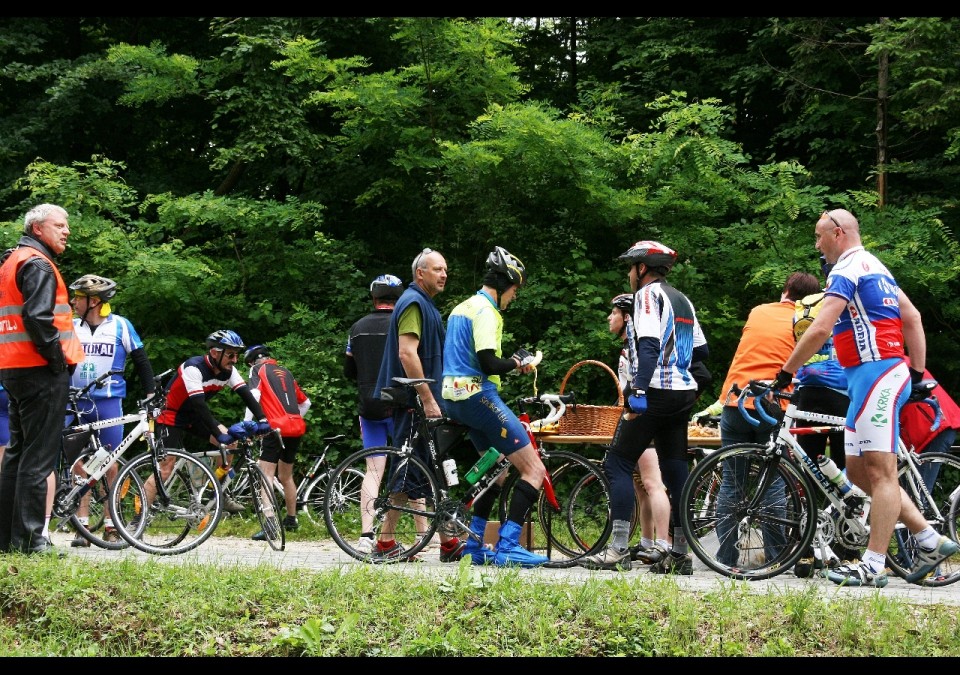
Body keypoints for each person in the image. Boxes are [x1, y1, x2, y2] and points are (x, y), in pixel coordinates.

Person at [777, 208, 960, 588]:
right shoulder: (877, 267)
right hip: (867, 378)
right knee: (860, 475)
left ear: (838, 233)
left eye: (818, 236)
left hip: (876, 374)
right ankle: (929, 539)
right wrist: (916, 372)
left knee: (880, 472)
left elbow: (821, 326)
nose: (817, 245)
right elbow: (913, 317)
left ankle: (873, 565)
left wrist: (785, 372)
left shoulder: (847, 267)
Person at [580, 240, 709, 574]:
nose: (628, 274)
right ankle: (680, 555)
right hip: (682, 394)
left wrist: (637, 389)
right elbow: (702, 354)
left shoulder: (647, 296)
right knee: (676, 471)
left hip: (653, 391)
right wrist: (690, 389)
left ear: (641, 268)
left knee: (618, 463)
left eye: (630, 267)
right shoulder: (684, 300)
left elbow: (649, 345)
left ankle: (618, 550)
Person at [441, 246, 547, 568]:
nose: (514, 297)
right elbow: (487, 361)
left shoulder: (462, 307)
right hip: (477, 396)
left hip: (453, 398)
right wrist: (517, 363)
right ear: (503, 284)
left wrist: (510, 364)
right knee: (534, 469)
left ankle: (474, 545)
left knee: (497, 470)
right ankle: (508, 546)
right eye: (514, 290)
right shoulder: (487, 311)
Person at [709, 271, 820, 571]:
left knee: (732, 482)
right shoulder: (804, 321)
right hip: (772, 403)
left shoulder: (758, 311)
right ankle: (776, 558)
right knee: (772, 480)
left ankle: (725, 560)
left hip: (735, 401)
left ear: (785, 290)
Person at [0, 203, 84, 555]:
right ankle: (33, 540)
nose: (66, 231)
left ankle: (8, 540)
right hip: (40, 370)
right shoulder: (37, 264)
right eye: (59, 225)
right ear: (37, 229)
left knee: (17, 456)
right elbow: (38, 318)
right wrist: (56, 362)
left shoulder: (11, 262)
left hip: (13, 369)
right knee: (38, 458)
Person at [373, 249, 464, 562]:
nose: (443, 275)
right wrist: (426, 398)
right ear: (420, 273)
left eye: (445, 270)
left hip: (423, 401)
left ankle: (447, 542)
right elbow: (407, 354)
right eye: (437, 269)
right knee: (409, 466)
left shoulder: (425, 305)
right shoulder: (413, 303)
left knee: (425, 468)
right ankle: (385, 542)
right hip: (414, 401)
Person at [345, 273, 438, 553]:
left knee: (374, 469)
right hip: (400, 401)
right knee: (410, 462)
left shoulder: (357, 328)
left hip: (370, 404)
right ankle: (424, 533)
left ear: (374, 298)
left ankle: (365, 534)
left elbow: (349, 371)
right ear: (398, 299)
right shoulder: (404, 321)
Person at [65, 274, 156, 547]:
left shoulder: (120, 325)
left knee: (109, 462)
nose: (73, 302)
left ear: (94, 301)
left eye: (78, 298)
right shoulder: (71, 326)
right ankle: (81, 523)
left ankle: (110, 522)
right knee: (79, 462)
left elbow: (141, 360)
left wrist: (151, 393)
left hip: (108, 402)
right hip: (77, 402)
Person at [152, 329, 268, 514]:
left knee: (231, 444)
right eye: (230, 355)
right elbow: (199, 405)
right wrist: (218, 434)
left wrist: (262, 419)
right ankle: (136, 518)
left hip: (194, 416)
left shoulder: (229, 371)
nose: (235, 360)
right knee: (166, 467)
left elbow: (246, 395)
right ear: (215, 352)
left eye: (236, 355)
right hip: (171, 415)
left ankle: (217, 492)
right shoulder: (194, 367)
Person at [606, 293, 671, 564]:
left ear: (626, 317)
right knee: (641, 486)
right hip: (637, 414)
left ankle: (664, 543)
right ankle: (646, 543)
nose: (609, 318)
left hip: (643, 417)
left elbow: (636, 383)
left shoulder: (636, 345)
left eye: (613, 313)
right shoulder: (627, 348)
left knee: (653, 483)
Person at [243, 344, 310, 540]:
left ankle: (270, 525)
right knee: (286, 476)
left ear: (252, 361)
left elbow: (254, 395)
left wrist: (247, 424)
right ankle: (291, 519)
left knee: (266, 476)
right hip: (295, 428)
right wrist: (293, 419)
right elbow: (306, 402)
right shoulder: (285, 372)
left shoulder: (257, 370)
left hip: (274, 428)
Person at [899, 357, 960, 491]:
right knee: (906, 496)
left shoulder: (890, 363)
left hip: (933, 428)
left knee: (917, 497)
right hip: (921, 431)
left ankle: (924, 511)